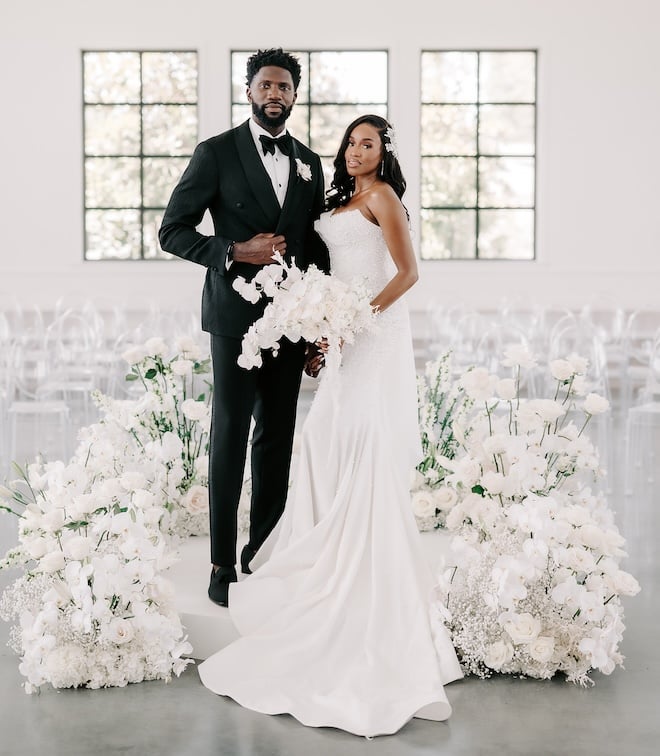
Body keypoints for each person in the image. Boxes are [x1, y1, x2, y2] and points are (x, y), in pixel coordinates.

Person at [197, 114, 463, 737]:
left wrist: (351, 321)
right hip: (339, 335)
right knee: (323, 437)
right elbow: (322, 259)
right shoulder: (339, 195)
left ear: (383, 154)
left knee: (361, 437)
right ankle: (305, 554)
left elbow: (408, 274)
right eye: (349, 141)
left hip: (371, 333)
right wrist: (323, 325)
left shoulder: (384, 198)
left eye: (367, 143)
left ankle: (359, 562)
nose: (354, 150)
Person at [158, 49, 329, 607]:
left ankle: (266, 552)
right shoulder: (215, 153)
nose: (274, 94)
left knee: (277, 437)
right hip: (234, 320)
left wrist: (319, 321)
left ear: (295, 95)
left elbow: (312, 246)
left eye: (284, 86)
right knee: (230, 434)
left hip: (291, 320)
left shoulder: (309, 161)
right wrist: (233, 250)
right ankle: (220, 562)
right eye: (265, 85)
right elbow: (172, 231)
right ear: (250, 90)